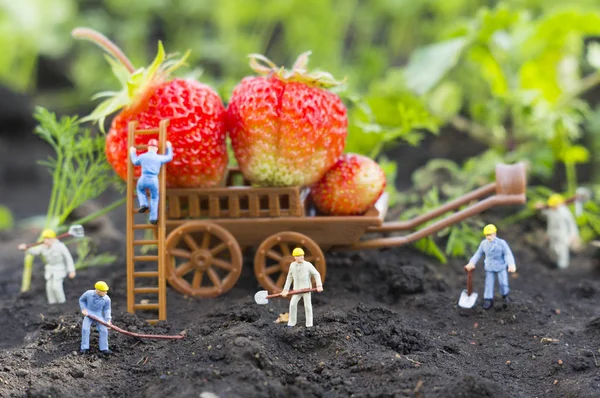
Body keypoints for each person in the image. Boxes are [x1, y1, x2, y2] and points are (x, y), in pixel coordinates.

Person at [464, 224, 517, 310]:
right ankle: (488, 299)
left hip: (501, 266)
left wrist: (511, 264)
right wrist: (471, 263)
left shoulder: (501, 243)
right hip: (489, 266)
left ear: (495, 234)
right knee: (488, 283)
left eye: (490, 235)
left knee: (503, 283)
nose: (488, 237)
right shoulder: (483, 244)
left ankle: (505, 295)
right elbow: (478, 254)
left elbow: (508, 254)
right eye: (486, 235)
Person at [17, 229, 76, 304]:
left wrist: (71, 270)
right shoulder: (43, 247)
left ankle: (62, 302)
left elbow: (68, 258)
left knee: (57, 286)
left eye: (48, 239)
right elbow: (35, 252)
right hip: (49, 269)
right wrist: (26, 248)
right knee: (49, 287)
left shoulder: (60, 246)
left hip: (59, 269)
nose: (46, 240)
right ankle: (52, 303)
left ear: (53, 239)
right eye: (44, 238)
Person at [129, 139, 173, 224]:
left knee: (140, 190)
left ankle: (144, 204)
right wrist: (169, 147)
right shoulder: (159, 158)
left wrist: (132, 152)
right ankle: (153, 218)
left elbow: (135, 162)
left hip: (143, 178)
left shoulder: (143, 156)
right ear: (156, 148)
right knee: (154, 198)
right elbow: (169, 157)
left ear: (148, 147)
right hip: (153, 180)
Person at [535, 194, 580, 269]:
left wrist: (573, 234)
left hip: (562, 233)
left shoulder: (564, 211)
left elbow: (571, 223)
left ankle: (563, 265)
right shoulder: (551, 211)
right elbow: (544, 214)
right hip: (552, 233)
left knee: (562, 249)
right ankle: (556, 263)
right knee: (553, 248)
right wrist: (540, 208)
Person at [281, 247, 323, 327]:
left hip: (306, 289)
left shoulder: (308, 265)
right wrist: (285, 289)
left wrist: (319, 285)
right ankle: (291, 323)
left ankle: (309, 324)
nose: (301, 257)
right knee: (292, 304)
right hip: (296, 290)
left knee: (307, 306)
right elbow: (289, 278)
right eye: (299, 256)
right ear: (295, 257)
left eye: (302, 255)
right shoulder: (292, 265)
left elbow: (316, 274)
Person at [79, 281, 112, 355]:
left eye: (106, 291)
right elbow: (81, 300)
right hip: (89, 314)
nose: (106, 292)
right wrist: (84, 309)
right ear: (98, 290)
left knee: (104, 330)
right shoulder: (88, 293)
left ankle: (104, 348)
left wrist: (108, 320)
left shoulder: (107, 299)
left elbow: (107, 309)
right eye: (104, 291)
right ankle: (84, 347)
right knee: (85, 329)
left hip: (98, 315)